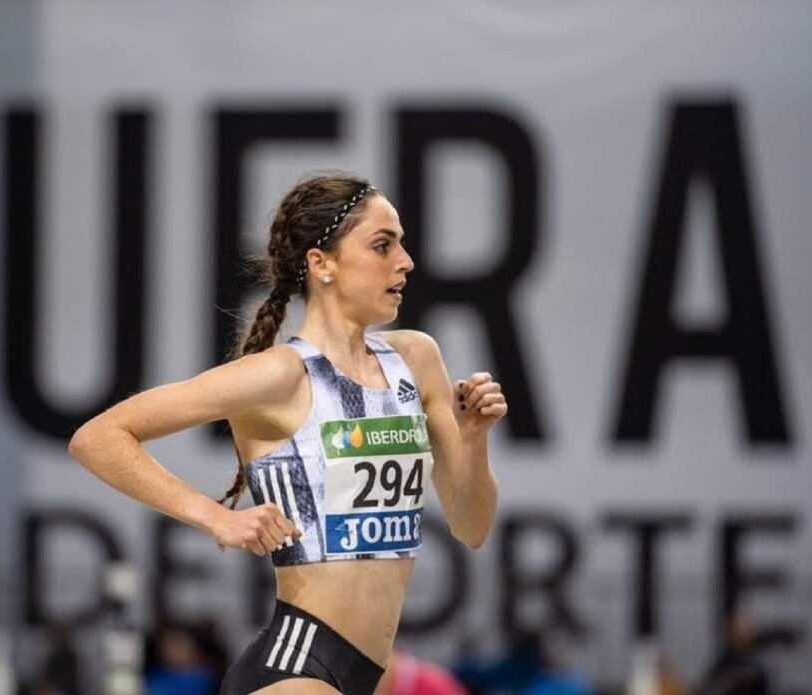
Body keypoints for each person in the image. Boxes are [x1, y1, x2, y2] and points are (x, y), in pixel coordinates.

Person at [68, 172, 507, 694]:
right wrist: (213, 517)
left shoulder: (416, 359)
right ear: (322, 265)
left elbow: (472, 527)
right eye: (382, 245)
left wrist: (473, 437)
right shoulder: (279, 375)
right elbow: (98, 436)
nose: (405, 261)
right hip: (296, 668)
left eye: (403, 244)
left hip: (365, 674)